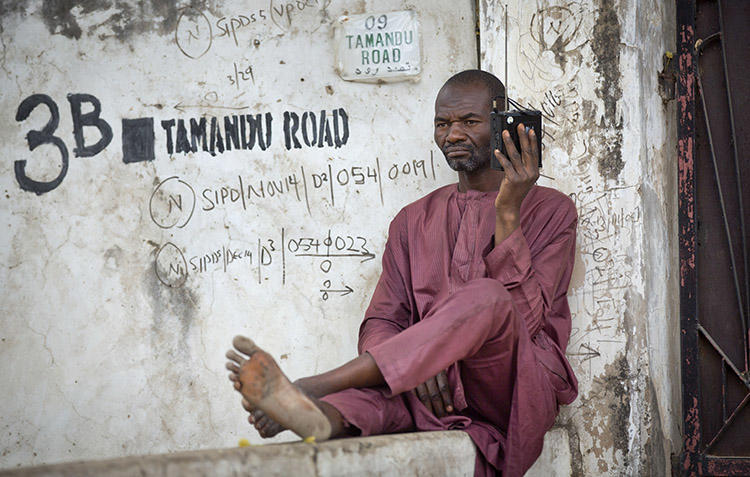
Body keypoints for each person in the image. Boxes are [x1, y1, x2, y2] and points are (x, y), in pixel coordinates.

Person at [225, 69, 578, 476]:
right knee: (368, 403)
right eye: (443, 124)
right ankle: (312, 415)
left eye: (470, 122)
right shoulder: (412, 220)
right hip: (432, 392)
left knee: (488, 296)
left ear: (502, 124)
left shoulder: (553, 210)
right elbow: (382, 318)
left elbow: (523, 317)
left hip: (512, 385)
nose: (454, 135)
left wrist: (508, 210)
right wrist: (419, 362)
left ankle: (313, 386)